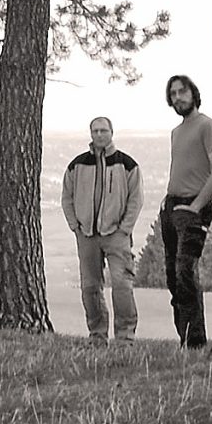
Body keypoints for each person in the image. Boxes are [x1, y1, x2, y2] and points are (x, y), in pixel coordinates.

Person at [61, 116, 143, 346]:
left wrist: (124, 229)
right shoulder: (77, 165)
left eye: (103, 130)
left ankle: (125, 337)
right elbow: (67, 197)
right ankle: (97, 335)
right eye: (95, 130)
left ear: (111, 132)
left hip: (117, 236)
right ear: (90, 133)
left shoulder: (127, 164)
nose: (99, 135)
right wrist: (75, 227)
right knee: (90, 288)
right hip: (86, 236)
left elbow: (136, 200)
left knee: (122, 286)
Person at [161, 75, 212, 350]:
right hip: (172, 207)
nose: (177, 98)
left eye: (182, 92)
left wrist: (196, 206)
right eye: (173, 94)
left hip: (193, 209)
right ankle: (184, 338)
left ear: (193, 94)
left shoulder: (208, 126)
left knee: (186, 271)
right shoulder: (176, 131)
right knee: (173, 276)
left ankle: (196, 342)